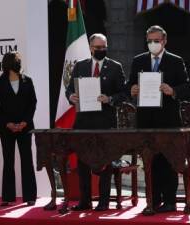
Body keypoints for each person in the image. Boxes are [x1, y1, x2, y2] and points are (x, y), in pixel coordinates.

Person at [128, 25, 190, 213]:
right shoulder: (138, 61)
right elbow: (129, 84)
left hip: (168, 119)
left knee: (169, 160)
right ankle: (153, 200)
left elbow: (187, 86)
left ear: (164, 41)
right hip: (146, 119)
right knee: (150, 161)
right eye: (149, 41)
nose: (152, 44)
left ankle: (170, 201)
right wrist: (131, 89)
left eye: (156, 40)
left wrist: (173, 91)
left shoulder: (175, 61)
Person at [66, 33, 127, 211]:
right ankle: (85, 201)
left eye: (104, 47)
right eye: (98, 47)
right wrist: (71, 96)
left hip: (105, 122)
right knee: (83, 162)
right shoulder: (80, 66)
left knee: (105, 162)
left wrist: (109, 98)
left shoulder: (115, 67)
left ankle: (103, 201)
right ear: (91, 48)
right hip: (84, 122)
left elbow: (124, 93)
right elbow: (69, 89)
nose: (101, 50)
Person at [0, 51, 37, 207]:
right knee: (8, 161)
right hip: (6, 128)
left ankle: (30, 197)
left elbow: (33, 103)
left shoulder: (27, 81)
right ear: (8, 64)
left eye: (19, 61)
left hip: (25, 128)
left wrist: (25, 121)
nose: (18, 63)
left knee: (27, 160)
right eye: (16, 61)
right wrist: (7, 123)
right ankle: (7, 197)